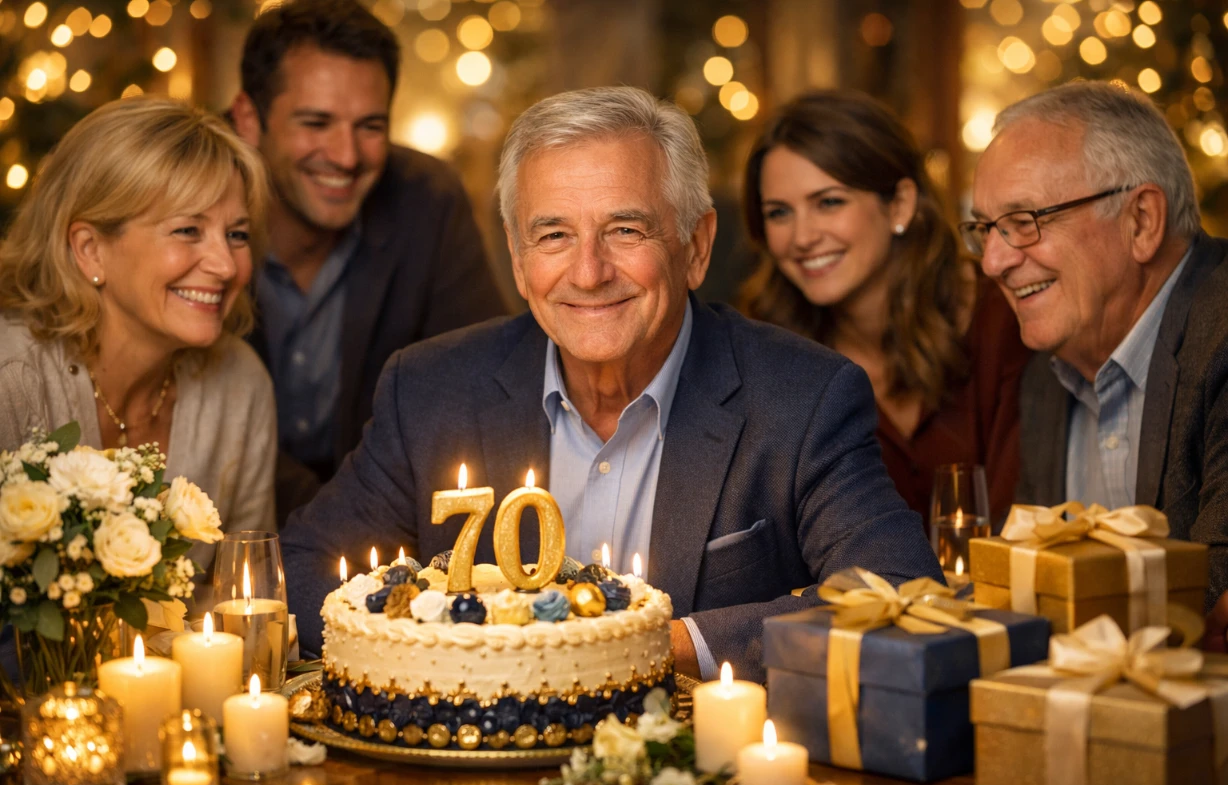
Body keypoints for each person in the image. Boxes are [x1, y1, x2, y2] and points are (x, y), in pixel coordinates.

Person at [280, 86, 942, 682]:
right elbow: (304, 566)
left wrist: (660, 644)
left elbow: (901, 591)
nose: (589, 272)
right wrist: (452, 653)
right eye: (554, 235)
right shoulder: (430, 388)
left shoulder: (802, 398)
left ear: (697, 244)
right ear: (516, 255)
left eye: (626, 229)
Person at [963, 81, 1228, 644]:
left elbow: (1208, 611)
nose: (992, 261)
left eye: (1024, 221)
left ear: (1141, 221)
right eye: (985, 229)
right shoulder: (1046, 376)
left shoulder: (1223, 331)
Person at [230, 0, 507, 523]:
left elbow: (481, 382)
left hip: (390, 529)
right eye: (316, 122)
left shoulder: (427, 199)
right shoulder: (189, 197)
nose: (346, 155)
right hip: (225, 529)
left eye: (370, 126)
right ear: (248, 118)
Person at [0, 96, 277, 607]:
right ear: (90, 249)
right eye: (188, 230)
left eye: (236, 234)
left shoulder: (241, 383)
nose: (224, 264)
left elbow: (243, 603)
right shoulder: (11, 376)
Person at [739, 90, 1030, 531]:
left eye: (829, 202)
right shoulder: (762, 346)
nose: (801, 237)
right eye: (779, 213)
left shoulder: (1002, 318)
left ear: (900, 204)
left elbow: (1031, 524)